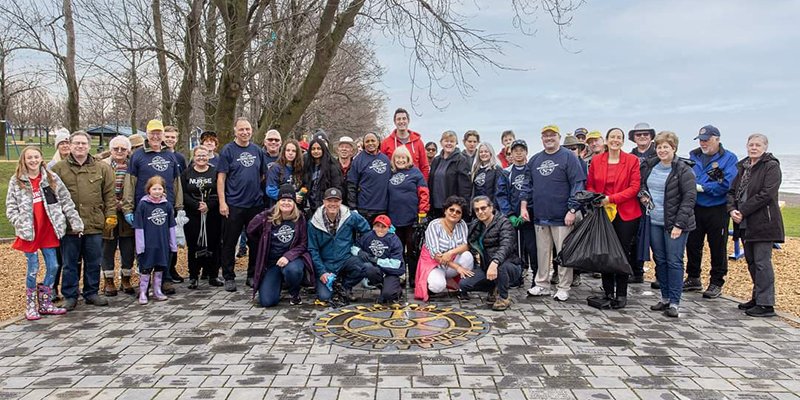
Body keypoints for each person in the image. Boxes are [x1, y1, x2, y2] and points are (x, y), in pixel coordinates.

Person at [7, 147, 83, 320]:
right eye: (29, 158)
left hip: (48, 229)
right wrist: (20, 223)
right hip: (29, 231)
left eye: (36, 157)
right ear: (24, 160)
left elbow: (65, 200)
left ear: (41, 158)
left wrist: (75, 221)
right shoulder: (17, 181)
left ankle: (46, 301)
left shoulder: (51, 178)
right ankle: (31, 304)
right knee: (33, 268)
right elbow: (10, 207)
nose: (33, 160)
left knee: (54, 266)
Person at [51, 131, 116, 310]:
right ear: (70, 145)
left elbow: (109, 195)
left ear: (89, 146)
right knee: (70, 263)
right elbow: (51, 197)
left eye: (84, 143)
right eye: (77, 143)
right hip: (69, 225)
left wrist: (111, 215)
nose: (80, 147)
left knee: (94, 260)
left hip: (94, 223)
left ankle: (91, 292)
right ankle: (70, 295)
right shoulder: (58, 169)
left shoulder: (102, 168)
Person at [523, 125, 586, 301]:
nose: (549, 138)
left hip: (562, 216)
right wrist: (523, 207)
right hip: (541, 216)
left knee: (563, 253)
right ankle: (542, 284)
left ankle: (564, 287)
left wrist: (572, 209)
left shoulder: (568, 157)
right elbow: (527, 186)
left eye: (552, 135)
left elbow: (577, 184)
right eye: (545, 136)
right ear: (541, 138)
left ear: (558, 137)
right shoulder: (535, 160)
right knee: (542, 253)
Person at [123, 120, 184, 293]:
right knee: (145, 247)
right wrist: (128, 208)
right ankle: (145, 280)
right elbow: (130, 182)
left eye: (159, 133)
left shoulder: (170, 155)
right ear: (147, 134)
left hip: (166, 208)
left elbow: (176, 182)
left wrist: (178, 206)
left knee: (166, 244)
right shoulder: (138, 156)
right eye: (152, 133)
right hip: (144, 210)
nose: (156, 136)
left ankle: (165, 279)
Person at [640, 131, 696, 318]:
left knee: (674, 261)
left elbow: (689, 198)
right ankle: (664, 297)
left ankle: (674, 301)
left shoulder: (683, 169)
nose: (662, 150)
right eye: (659, 147)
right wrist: (643, 196)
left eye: (666, 147)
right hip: (654, 220)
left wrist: (679, 224)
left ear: (674, 148)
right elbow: (642, 187)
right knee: (661, 260)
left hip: (675, 223)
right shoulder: (650, 166)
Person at [728, 134, 783, 317]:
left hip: (763, 222)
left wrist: (743, 209)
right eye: (751, 144)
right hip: (744, 223)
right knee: (751, 261)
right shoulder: (743, 166)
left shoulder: (771, 166)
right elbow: (732, 191)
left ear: (765, 147)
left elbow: (766, 194)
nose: (754, 148)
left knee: (762, 263)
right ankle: (757, 297)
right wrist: (732, 210)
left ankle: (767, 304)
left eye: (758, 145)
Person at [586, 128, 642, 309]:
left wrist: (611, 199)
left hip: (626, 212)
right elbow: (591, 185)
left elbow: (634, 188)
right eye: (612, 137)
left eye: (619, 137)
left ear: (623, 141)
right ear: (606, 140)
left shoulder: (632, 160)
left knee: (621, 252)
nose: (615, 140)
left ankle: (622, 293)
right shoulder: (597, 160)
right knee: (605, 251)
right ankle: (608, 291)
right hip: (604, 212)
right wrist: (599, 199)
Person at [216, 117, 269, 291]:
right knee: (230, 242)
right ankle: (229, 277)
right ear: (235, 130)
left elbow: (262, 175)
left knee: (254, 242)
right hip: (233, 204)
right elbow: (221, 178)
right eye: (241, 130)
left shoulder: (257, 150)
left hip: (255, 204)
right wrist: (223, 202)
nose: (245, 132)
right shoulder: (228, 150)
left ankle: (252, 275)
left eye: (247, 129)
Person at [685, 125, 738, 298]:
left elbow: (727, 183)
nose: (703, 143)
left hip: (717, 208)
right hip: (696, 207)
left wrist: (703, 188)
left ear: (717, 139)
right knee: (692, 244)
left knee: (717, 246)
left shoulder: (729, 158)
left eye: (707, 139)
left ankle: (716, 281)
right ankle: (693, 277)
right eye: (701, 140)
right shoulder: (693, 157)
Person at [248, 184, 313, 307]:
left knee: (293, 270)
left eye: (290, 200)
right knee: (267, 302)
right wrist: (262, 242)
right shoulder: (268, 217)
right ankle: (278, 282)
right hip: (272, 262)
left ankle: (294, 292)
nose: (286, 203)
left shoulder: (300, 219)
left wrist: (288, 256)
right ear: (278, 202)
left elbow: (303, 244)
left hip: (292, 260)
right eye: (283, 200)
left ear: (294, 203)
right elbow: (251, 230)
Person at [458, 196, 522, 311]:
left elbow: (506, 246)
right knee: (464, 284)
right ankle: (494, 287)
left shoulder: (504, 223)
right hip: (486, 266)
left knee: (499, 266)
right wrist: (476, 254)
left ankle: (504, 297)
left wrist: (495, 262)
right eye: (477, 209)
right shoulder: (476, 224)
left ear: (491, 207)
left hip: (509, 265)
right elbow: (471, 243)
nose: (480, 212)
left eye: (483, 208)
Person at [308, 188, 372, 303]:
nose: (333, 204)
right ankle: (334, 285)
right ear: (324, 202)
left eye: (336, 201)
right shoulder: (313, 223)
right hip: (326, 264)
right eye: (329, 201)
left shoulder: (351, 216)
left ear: (341, 202)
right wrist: (322, 271)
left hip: (345, 259)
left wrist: (358, 248)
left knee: (365, 267)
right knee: (325, 297)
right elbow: (313, 249)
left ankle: (345, 287)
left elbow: (367, 231)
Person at [414, 195, 474, 301]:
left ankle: (462, 287)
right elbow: (436, 256)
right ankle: (439, 282)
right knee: (437, 286)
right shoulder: (434, 225)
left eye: (458, 212)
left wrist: (450, 253)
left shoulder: (462, 225)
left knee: (467, 256)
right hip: (434, 264)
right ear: (445, 210)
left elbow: (465, 246)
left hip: (451, 261)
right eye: (451, 210)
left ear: (461, 215)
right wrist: (457, 268)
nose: (454, 213)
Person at [386, 146, 429, 286]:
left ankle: (413, 278)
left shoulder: (415, 173)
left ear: (408, 159)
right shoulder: (390, 173)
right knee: (397, 249)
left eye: (403, 157)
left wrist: (422, 212)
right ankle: (400, 275)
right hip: (394, 218)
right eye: (397, 157)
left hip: (411, 219)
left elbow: (424, 193)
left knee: (412, 250)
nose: (400, 160)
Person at [181, 146, 223, 288]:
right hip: (193, 214)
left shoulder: (215, 172)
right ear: (194, 156)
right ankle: (193, 276)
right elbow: (183, 193)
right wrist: (195, 204)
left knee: (213, 244)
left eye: (204, 155)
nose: (201, 158)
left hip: (212, 214)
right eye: (198, 155)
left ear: (208, 156)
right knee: (194, 245)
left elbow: (220, 192)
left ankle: (213, 275)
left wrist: (209, 205)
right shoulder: (187, 173)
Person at [100, 136, 136, 296]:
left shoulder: (133, 165)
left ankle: (126, 278)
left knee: (128, 246)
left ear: (128, 150)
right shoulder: (102, 165)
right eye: (116, 149)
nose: (119, 152)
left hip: (128, 210)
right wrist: (112, 203)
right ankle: (108, 280)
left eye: (123, 149)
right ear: (111, 150)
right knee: (108, 246)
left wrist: (126, 204)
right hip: (108, 210)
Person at [133, 176, 177, 305]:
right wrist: (140, 246)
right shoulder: (143, 205)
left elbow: (171, 226)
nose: (157, 191)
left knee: (160, 268)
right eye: (154, 189)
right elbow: (139, 227)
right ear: (148, 190)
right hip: (148, 244)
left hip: (162, 243)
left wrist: (172, 244)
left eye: (160, 189)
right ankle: (143, 291)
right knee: (146, 268)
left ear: (163, 190)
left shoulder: (167, 205)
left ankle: (157, 290)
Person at [496, 139, 536, 277]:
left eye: (521, 150)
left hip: (529, 216)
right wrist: (510, 214)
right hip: (513, 217)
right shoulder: (506, 173)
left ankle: (535, 275)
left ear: (526, 152)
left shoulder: (532, 170)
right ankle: (516, 275)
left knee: (532, 247)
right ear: (511, 154)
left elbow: (534, 192)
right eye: (515, 151)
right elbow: (501, 195)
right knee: (514, 248)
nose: (518, 153)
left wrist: (528, 211)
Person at [628, 122, 657, 285]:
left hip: (655, 203)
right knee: (634, 237)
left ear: (651, 136)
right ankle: (636, 271)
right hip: (635, 202)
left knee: (657, 240)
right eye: (638, 135)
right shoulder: (629, 156)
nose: (642, 137)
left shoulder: (658, 153)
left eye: (646, 134)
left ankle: (661, 276)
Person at [354, 215, 405, 303]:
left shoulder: (394, 240)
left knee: (388, 295)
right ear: (373, 226)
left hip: (391, 272)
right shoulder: (367, 236)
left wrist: (377, 260)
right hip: (376, 270)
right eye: (378, 226)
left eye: (383, 227)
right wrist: (359, 252)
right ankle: (382, 287)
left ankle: (397, 291)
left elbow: (396, 264)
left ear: (388, 228)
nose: (380, 229)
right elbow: (354, 247)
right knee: (367, 267)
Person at [347, 132, 391, 224]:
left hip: (383, 208)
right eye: (367, 141)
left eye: (373, 140)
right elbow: (351, 185)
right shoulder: (358, 161)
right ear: (364, 144)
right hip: (365, 209)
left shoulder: (386, 159)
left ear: (378, 142)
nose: (370, 143)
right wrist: (353, 207)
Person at [428, 130, 471, 219]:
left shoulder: (461, 160)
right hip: (436, 206)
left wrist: (462, 208)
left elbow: (465, 188)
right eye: (446, 141)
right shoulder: (436, 160)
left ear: (456, 143)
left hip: (452, 209)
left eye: (452, 141)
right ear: (441, 143)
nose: (449, 144)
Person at [381, 107, 430, 180]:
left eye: (404, 118)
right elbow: (382, 166)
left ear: (408, 121)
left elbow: (424, 167)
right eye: (398, 119)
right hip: (392, 186)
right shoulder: (386, 142)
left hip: (413, 186)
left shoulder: (418, 142)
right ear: (394, 122)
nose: (401, 121)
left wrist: (422, 185)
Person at [302, 137, 342, 215]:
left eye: (318, 148)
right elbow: (304, 185)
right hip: (309, 205)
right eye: (313, 149)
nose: (316, 151)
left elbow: (337, 188)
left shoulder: (332, 166)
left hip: (326, 206)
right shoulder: (307, 165)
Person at [266, 139, 304, 205]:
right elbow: (270, 191)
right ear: (284, 152)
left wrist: (300, 195)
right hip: (278, 207)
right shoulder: (275, 168)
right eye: (288, 150)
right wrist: (291, 196)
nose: (290, 153)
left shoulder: (300, 169)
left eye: (293, 151)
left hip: (295, 208)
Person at [470, 142, 503, 209]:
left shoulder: (496, 169)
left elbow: (498, 191)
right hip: (477, 206)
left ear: (491, 153)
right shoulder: (476, 169)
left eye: (486, 151)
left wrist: (493, 207)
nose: (483, 154)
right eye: (481, 152)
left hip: (490, 207)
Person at [336, 136, 356, 206]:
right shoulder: (331, 167)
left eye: (347, 147)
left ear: (352, 151)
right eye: (341, 146)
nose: (344, 149)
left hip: (353, 206)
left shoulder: (356, 167)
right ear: (337, 150)